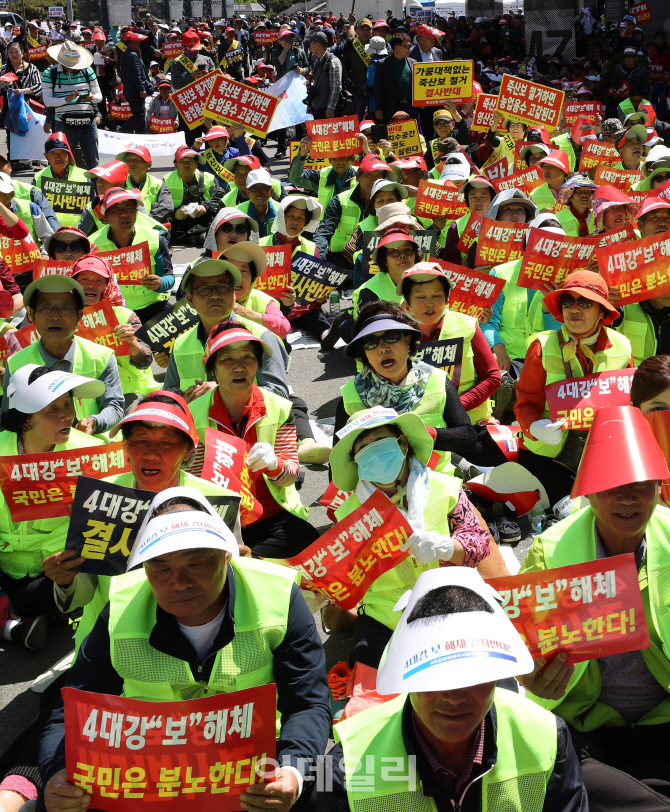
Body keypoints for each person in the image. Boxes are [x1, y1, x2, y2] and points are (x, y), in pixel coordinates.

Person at [39, 488, 330, 812]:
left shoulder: (278, 595)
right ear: (145, 567)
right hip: (147, 769)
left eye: (196, 562)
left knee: (322, 787)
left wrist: (291, 772)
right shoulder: (120, 607)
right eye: (161, 568)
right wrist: (58, 774)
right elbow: (75, 706)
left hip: (251, 765)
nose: (178, 582)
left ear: (227, 555)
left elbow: (308, 703)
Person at [321, 567, 589, 811]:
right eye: (433, 676)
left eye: (472, 675)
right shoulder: (347, 765)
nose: (454, 696)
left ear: (498, 674)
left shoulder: (549, 739)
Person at [519, 405, 670, 812]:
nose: (626, 497)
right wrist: (531, 677)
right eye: (610, 485)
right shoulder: (549, 551)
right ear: (587, 492)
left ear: (659, 486)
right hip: (586, 730)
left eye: (640, 483)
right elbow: (522, 648)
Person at [328, 407, 490, 669]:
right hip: (384, 616)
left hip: (449, 601)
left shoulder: (445, 487)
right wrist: (320, 588)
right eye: (363, 447)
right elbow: (344, 573)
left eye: (379, 440)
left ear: (402, 443)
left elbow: (479, 543)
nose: (372, 450)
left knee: (467, 670)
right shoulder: (348, 514)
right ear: (356, 460)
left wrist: (445, 547)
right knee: (368, 672)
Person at [188, 322, 317, 558]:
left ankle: (249, 561)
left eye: (248, 356)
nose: (239, 366)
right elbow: (192, 482)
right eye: (227, 359)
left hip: (271, 514)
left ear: (257, 364)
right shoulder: (192, 415)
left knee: (306, 538)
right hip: (218, 519)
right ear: (212, 370)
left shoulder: (279, 407)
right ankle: (251, 562)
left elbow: (290, 476)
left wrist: (274, 463)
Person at [0, 365, 104, 649]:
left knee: (69, 587)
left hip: (56, 573)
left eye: (68, 404)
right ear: (24, 421)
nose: (67, 415)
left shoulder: (90, 454)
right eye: (51, 408)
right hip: (5, 568)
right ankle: (20, 622)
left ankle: (16, 615)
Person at [515, 270, 633, 508]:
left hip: (602, 456)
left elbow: (630, 407)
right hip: (546, 457)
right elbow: (525, 404)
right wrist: (537, 427)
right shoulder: (541, 346)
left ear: (602, 311)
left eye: (585, 302)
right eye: (568, 301)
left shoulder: (622, 346)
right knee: (571, 514)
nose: (574, 309)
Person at [335, 302, 476, 475]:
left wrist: (421, 435)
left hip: (438, 484)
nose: (383, 348)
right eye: (371, 343)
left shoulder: (437, 380)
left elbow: (468, 437)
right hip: (377, 492)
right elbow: (340, 464)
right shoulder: (350, 396)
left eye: (392, 337)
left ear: (408, 341)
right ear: (364, 353)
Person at [1, 275, 124, 436]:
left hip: (91, 448)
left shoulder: (102, 356)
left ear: (79, 317)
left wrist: (94, 422)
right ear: (32, 316)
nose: (55, 316)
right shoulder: (16, 363)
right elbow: (8, 415)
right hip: (38, 452)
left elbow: (115, 405)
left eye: (65, 308)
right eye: (46, 308)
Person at [163, 257, 289, 400]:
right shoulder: (181, 343)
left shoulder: (262, 337)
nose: (215, 295)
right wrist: (184, 397)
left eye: (222, 287)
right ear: (191, 300)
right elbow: (169, 394)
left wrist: (221, 392)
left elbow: (279, 394)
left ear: (233, 295)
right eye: (205, 289)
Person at [69, 254, 157, 408]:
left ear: (108, 285)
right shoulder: (64, 318)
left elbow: (145, 361)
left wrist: (132, 341)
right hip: (81, 394)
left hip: (126, 392)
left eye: (98, 280)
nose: (91, 285)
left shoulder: (124, 315)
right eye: (84, 279)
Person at [89, 187, 174, 324]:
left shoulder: (154, 237)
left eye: (128, 208)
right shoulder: (92, 245)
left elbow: (169, 277)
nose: (124, 214)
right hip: (114, 312)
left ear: (136, 212)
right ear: (106, 217)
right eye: (116, 210)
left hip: (153, 307)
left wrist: (159, 283)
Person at [613, 197, 670, 363]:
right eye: (655, 217)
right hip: (635, 384)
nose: (662, 222)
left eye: (668, 218)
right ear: (640, 226)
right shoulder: (619, 270)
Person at [314, 154, 396, 267]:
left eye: (379, 175)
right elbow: (324, 231)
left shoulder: (394, 201)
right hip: (342, 257)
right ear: (358, 177)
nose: (374, 179)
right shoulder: (340, 200)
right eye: (369, 174)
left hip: (380, 258)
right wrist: (316, 258)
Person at [41, 40, 102, 169]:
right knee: (65, 163)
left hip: (88, 122)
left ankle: (94, 188)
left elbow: (99, 97)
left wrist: (91, 98)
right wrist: (66, 99)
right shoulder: (49, 73)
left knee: (93, 163)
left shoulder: (87, 71)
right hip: (64, 124)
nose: (73, 66)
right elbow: (47, 101)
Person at [161, 145, 224, 246]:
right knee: (165, 234)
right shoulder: (167, 180)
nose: (186, 165)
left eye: (190, 161)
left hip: (204, 217)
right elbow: (161, 205)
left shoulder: (208, 178)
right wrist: (174, 214)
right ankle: (196, 238)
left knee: (219, 225)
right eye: (182, 162)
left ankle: (197, 238)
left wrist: (205, 206)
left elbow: (220, 197)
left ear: (196, 164)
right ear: (176, 165)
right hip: (179, 221)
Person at [33, 133, 91, 229]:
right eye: (53, 153)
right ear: (46, 156)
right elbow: (35, 210)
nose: (58, 157)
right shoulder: (38, 178)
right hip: (50, 233)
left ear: (68, 155)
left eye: (62, 153)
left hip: (82, 232)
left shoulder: (84, 176)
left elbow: (92, 209)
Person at [0, 42, 43, 167]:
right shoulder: (4, 69)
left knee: (32, 130)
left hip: (29, 104)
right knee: (12, 131)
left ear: (23, 53)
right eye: (11, 52)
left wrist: (23, 91)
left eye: (16, 51)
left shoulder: (32, 68)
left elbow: (38, 86)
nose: (14, 55)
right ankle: (14, 159)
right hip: (11, 105)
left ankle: (34, 158)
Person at [288, 134, 358, 211]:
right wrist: (302, 154)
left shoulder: (360, 175)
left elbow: (373, 178)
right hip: (328, 222)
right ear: (330, 160)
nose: (340, 162)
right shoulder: (321, 175)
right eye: (336, 158)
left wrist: (368, 152)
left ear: (353, 160)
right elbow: (295, 178)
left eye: (345, 158)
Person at [441, 176, 496, 265]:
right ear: (467, 200)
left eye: (483, 197)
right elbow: (448, 262)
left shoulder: (502, 222)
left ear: (492, 200)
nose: (478, 202)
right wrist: (463, 263)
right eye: (473, 197)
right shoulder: (456, 226)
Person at [117, 145, 173, 221]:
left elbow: (167, 206)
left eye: (137, 159)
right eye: (129, 160)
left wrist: (146, 219)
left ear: (148, 165)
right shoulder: (119, 184)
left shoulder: (159, 184)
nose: (132, 163)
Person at [332, 17, 373, 121]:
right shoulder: (351, 47)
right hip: (357, 92)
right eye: (362, 29)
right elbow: (344, 66)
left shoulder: (377, 46)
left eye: (368, 30)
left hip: (374, 92)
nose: (365, 32)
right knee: (356, 122)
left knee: (374, 123)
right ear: (357, 31)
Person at [374, 32, 417, 126]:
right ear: (397, 47)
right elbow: (378, 88)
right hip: (392, 106)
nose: (409, 49)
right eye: (407, 46)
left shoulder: (413, 62)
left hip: (410, 106)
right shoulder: (383, 64)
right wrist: (379, 109)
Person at [118, 30, 152, 134]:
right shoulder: (133, 55)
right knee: (140, 115)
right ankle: (122, 131)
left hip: (129, 91)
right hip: (136, 92)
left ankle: (142, 136)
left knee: (139, 115)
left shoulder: (124, 55)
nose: (139, 44)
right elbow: (137, 75)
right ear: (131, 43)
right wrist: (141, 89)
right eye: (137, 42)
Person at [304, 30, 342, 120]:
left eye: (311, 44)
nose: (310, 47)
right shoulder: (317, 61)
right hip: (318, 108)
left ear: (317, 45)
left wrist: (331, 108)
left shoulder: (333, 61)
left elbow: (336, 87)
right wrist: (311, 105)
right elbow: (317, 84)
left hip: (327, 110)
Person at [235, 167, 278, 238]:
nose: (258, 193)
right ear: (248, 193)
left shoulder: (282, 211)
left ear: (271, 192)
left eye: (263, 188)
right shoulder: (237, 212)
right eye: (254, 189)